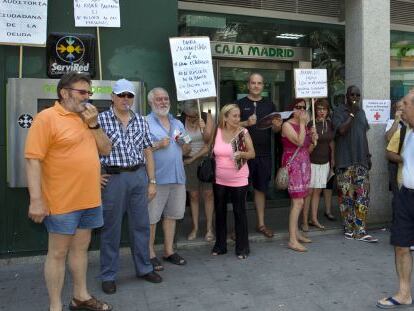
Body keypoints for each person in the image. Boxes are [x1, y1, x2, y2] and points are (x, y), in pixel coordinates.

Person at [25, 72, 113, 311]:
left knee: (81, 248)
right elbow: (33, 160)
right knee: (57, 253)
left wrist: (93, 125)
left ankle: (80, 296)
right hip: (61, 200)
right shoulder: (47, 118)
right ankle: (55, 306)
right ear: (64, 93)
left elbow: (106, 149)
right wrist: (36, 200)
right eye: (82, 92)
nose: (87, 98)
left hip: (90, 198)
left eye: (89, 93)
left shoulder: (89, 118)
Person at [98, 79, 162, 295]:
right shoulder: (100, 120)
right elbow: (90, 150)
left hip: (138, 176)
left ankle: (144, 268)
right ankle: (108, 275)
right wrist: (95, 176)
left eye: (129, 95)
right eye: (121, 95)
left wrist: (152, 181)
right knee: (111, 229)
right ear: (112, 97)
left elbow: (148, 151)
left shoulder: (141, 121)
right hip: (113, 179)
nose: (126, 99)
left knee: (141, 226)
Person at [376, 91, 414, 309]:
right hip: (405, 195)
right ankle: (404, 293)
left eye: (405, 105)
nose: (402, 109)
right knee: (400, 245)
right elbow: (390, 148)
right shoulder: (406, 129)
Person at [146, 87, 191, 271]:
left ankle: (168, 251)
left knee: (172, 216)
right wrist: (157, 145)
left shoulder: (178, 123)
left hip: (177, 177)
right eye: (159, 99)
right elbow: (140, 150)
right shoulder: (144, 122)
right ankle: (149, 254)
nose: (163, 102)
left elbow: (187, 150)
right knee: (151, 218)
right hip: (156, 178)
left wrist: (184, 143)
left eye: (166, 99)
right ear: (151, 102)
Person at [237, 73, 282, 238]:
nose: (256, 86)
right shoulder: (239, 104)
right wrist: (246, 123)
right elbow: (230, 124)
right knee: (240, 191)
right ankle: (239, 226)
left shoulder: (270, 105)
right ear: (248, 85)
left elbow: (276, 130)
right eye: (253, 83)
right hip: (243, 153)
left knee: (260, 189)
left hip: (263, 154)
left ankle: (261, 224)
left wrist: (278, 125)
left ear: (263, 86)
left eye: (259, 83)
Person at [332, 85, 378, 243]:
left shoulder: (362, 112)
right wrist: (351, 113)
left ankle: (361, 229)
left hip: (361, 161)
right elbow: (342, 131)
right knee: (346, 198)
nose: (355, 98)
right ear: (346, 96)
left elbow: (363, 135)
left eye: (358, 95)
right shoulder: (338, 112)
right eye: (352, 95)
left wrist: (368, 155)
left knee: (363, 196)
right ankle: (348, 228)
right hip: (344, 161)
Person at [210, 104, 255, 259]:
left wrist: (241, 153)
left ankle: (242, 248)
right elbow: (209, 147)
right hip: (219, 179)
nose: (238, 119)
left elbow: (252, 154)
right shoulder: (217, 131)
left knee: (239, 212)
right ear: (225, 117)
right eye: (234, 116)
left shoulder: (243, 132)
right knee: (220, 212)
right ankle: (220, 245)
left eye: (238, 115)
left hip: (239, 179)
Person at [281, 99, 318, 252]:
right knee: (298, 203)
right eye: (298, 107)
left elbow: (308, 148)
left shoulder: (305, 126)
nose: (302, 110)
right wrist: (303, 124)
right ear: (292, 109)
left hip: (304, 163)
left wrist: (314, 139)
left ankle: (295, 232)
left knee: (298, 200)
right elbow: (299, 141)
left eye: (304, 107)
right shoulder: (287, 125)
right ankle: (292, 240)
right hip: (293, 165)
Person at [180, 100, 215, 241]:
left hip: (204, 160)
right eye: (189, 116)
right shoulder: (180, 121)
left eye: (194, 116)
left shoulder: (206, 117)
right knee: (193, 195)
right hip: (188, 161)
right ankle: (195, 227)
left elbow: (208, 143)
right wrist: (185, 150)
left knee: (208, 194)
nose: (191, 118)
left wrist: (204, 128)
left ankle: (209, 228)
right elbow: (182, 144)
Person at [302, 98, 335, 231]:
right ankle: (304, 221)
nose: (321, 111)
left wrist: (333, 157)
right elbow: (306, 145)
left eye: (324, 109)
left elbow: (331, 142)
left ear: (327, 111)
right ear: (316, 110)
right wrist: (312, 137)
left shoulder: (330, 124)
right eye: (319, 109)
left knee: (317, 191)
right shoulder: (311, 124)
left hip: (325, 162)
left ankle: (313, 219)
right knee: (309, 192)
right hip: (312, 162)